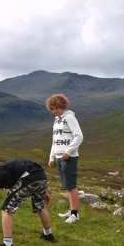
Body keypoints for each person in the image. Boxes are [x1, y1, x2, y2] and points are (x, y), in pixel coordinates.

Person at [0, 159, 55, 246]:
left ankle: (7, 245)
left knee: (6, 209)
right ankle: (48, 234)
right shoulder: (7, 167)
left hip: (28, 177)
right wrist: (46, 191)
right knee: (40, 206)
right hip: (41, 176)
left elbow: (10, 182)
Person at [46, 94, 83, 224]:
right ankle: (72, 209)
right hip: (59, 157)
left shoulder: (69, 118)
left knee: (71, 186)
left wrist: (68, 151)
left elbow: (79, 136)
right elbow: (55, 140)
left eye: (57, 108)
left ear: (63, 106)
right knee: (67, 185)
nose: (55, 111)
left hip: (69, 157)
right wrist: (52, 157)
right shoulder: (57, 120)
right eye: (53, 108)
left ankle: (74, 215)